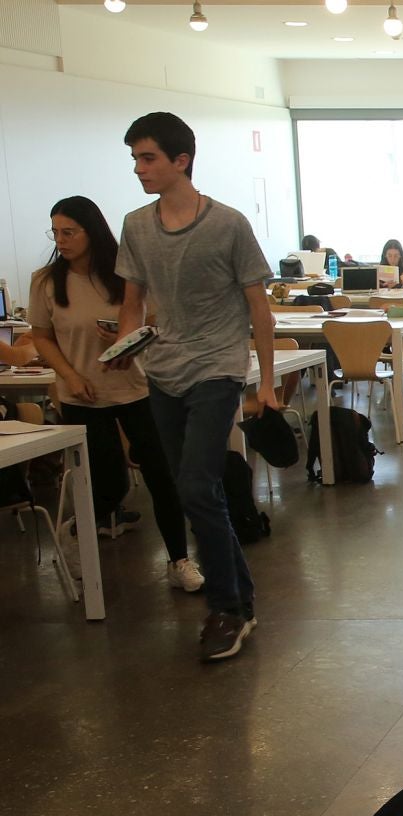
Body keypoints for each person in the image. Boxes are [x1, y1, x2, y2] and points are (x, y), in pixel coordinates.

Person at [116, 112, 277, 661]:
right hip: (162, 370)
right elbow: (132, 299)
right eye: (136, 158)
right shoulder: (136, 225)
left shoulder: (228, 224)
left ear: (180, 160)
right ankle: (242, 602)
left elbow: (260, 308)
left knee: (194, 485)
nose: (139, 168)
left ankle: (227, 608)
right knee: (197, 490)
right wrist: (122, 347)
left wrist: (270, 382)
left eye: (148, 158)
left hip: (217, 366)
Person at [30, 194, 197, 588]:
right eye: (55, 232)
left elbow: (155, 324)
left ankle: (179, 561)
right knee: (109, 485)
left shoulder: (125, 275)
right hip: (82, 396)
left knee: (161, 477)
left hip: (136, 388)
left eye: (69, 232)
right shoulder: (46, 281)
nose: (61, 240)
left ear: (92, 232)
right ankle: (73, 535)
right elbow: (41, 336)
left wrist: (126, 337)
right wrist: (70, 375)